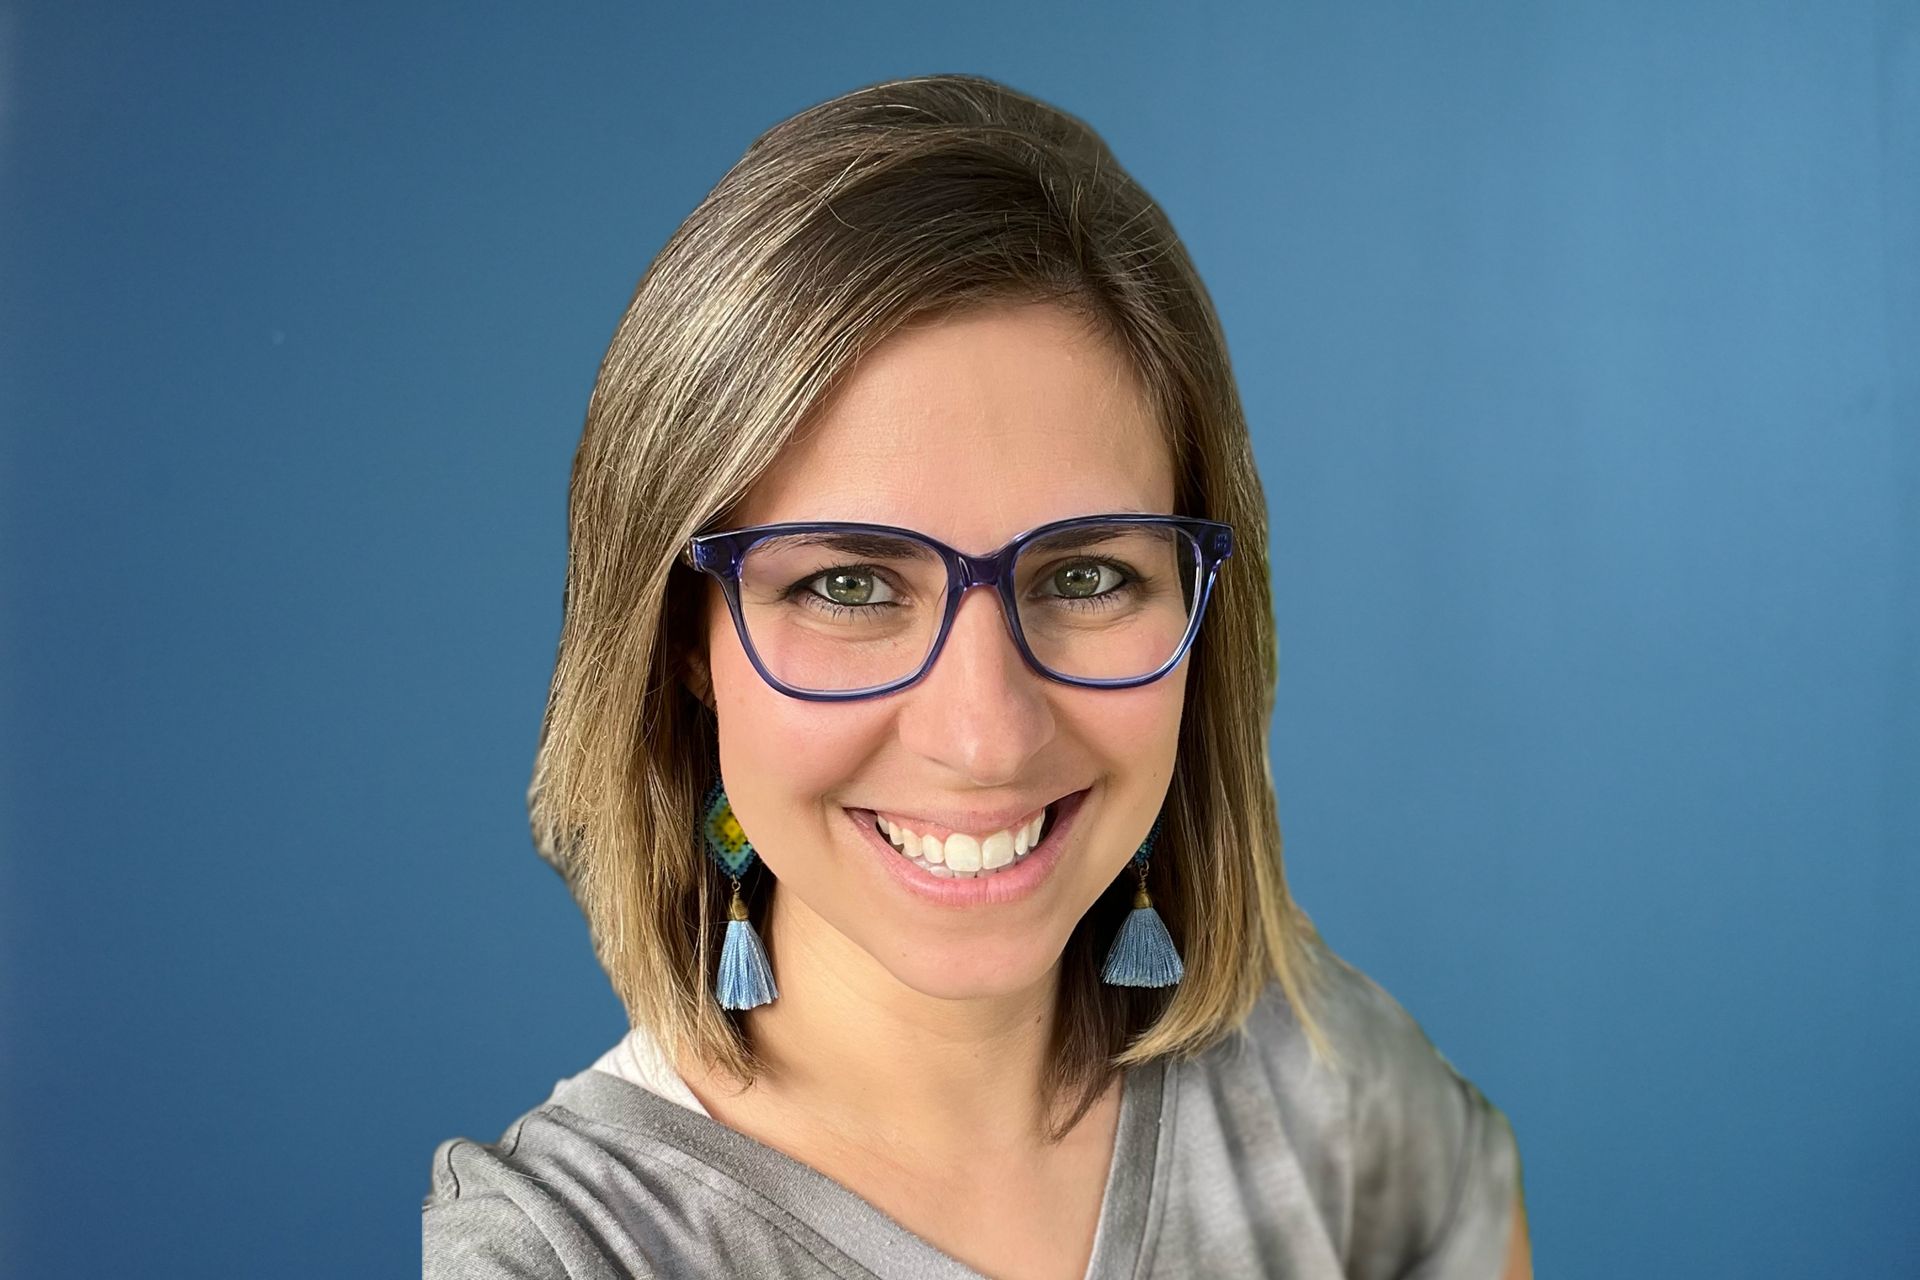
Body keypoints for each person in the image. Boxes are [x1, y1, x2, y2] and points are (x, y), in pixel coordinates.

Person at [421, 72, 1529, 1280]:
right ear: (683, 636)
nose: (986, 733)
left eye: (1088, 576)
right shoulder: (563, 1254)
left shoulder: (1343, 1098)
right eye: (849, 585)